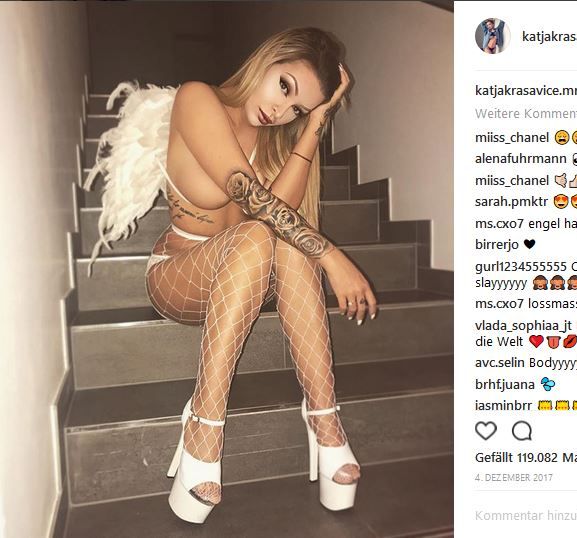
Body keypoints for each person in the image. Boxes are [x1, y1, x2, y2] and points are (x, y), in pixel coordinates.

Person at [85, 27, 375, 524]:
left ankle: (325, 423)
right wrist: (331, 255)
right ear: (268, 59)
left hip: (244, 276)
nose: (281, 111)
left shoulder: (273, 137)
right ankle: (204, 421)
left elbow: (280, 218)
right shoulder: (198, 99)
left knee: (279, 240)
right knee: (264, 232)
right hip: (180, 272)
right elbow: (249, 196)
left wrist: (316, 123)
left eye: (297, 108)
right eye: (284, 87)